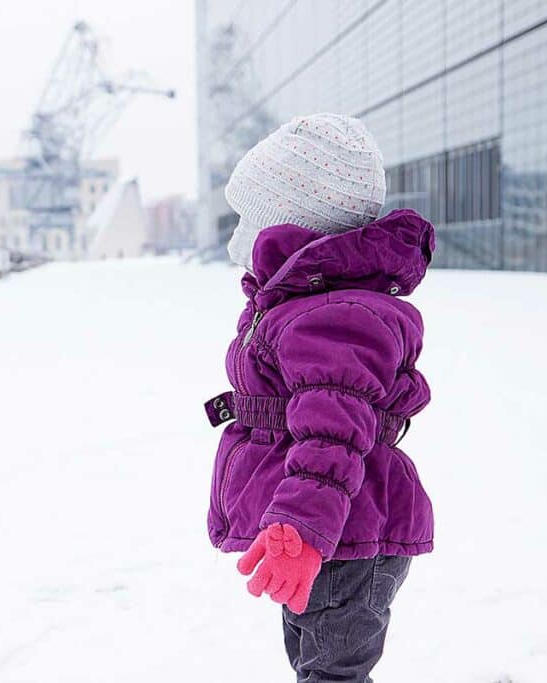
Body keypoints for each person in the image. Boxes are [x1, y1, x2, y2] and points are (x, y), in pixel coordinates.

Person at [205, 113, 436, 682]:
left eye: (247, 220)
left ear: (290, 225)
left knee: (333, 676)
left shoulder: (334, 316)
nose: (236, 237)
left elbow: (334, 431)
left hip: (342, 538)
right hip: (330, 533)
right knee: (317, 666)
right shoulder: (306, 304)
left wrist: (303, 526)